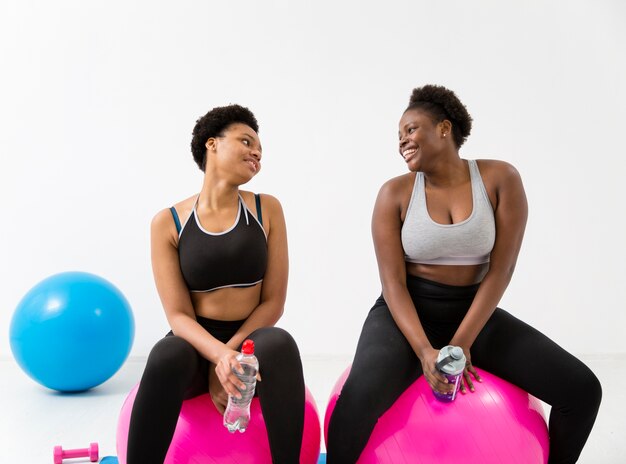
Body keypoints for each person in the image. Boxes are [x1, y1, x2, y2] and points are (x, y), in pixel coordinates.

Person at [326, 85, 601, 464]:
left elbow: (501, 269)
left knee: (582, 390)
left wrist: (460, 344)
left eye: (411, 129)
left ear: (443, 128)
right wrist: (425, 351)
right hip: (404, 314)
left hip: (474, 313)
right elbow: (393, 285)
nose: (402, 140)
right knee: (356, 400)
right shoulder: (394, 193)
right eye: (399, 135)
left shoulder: (499, 178)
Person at [126, 104, 304, 463]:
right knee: (166, 353)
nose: (256, 152)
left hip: (252, 340)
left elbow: (273, 303)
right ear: (212, 144)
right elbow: (178, 316)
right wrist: (216, 356)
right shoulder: (168, 222)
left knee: (281, 344)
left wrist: (231, 356)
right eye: (245, 140)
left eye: (260, 149)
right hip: (195, 343)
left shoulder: (267, 209)